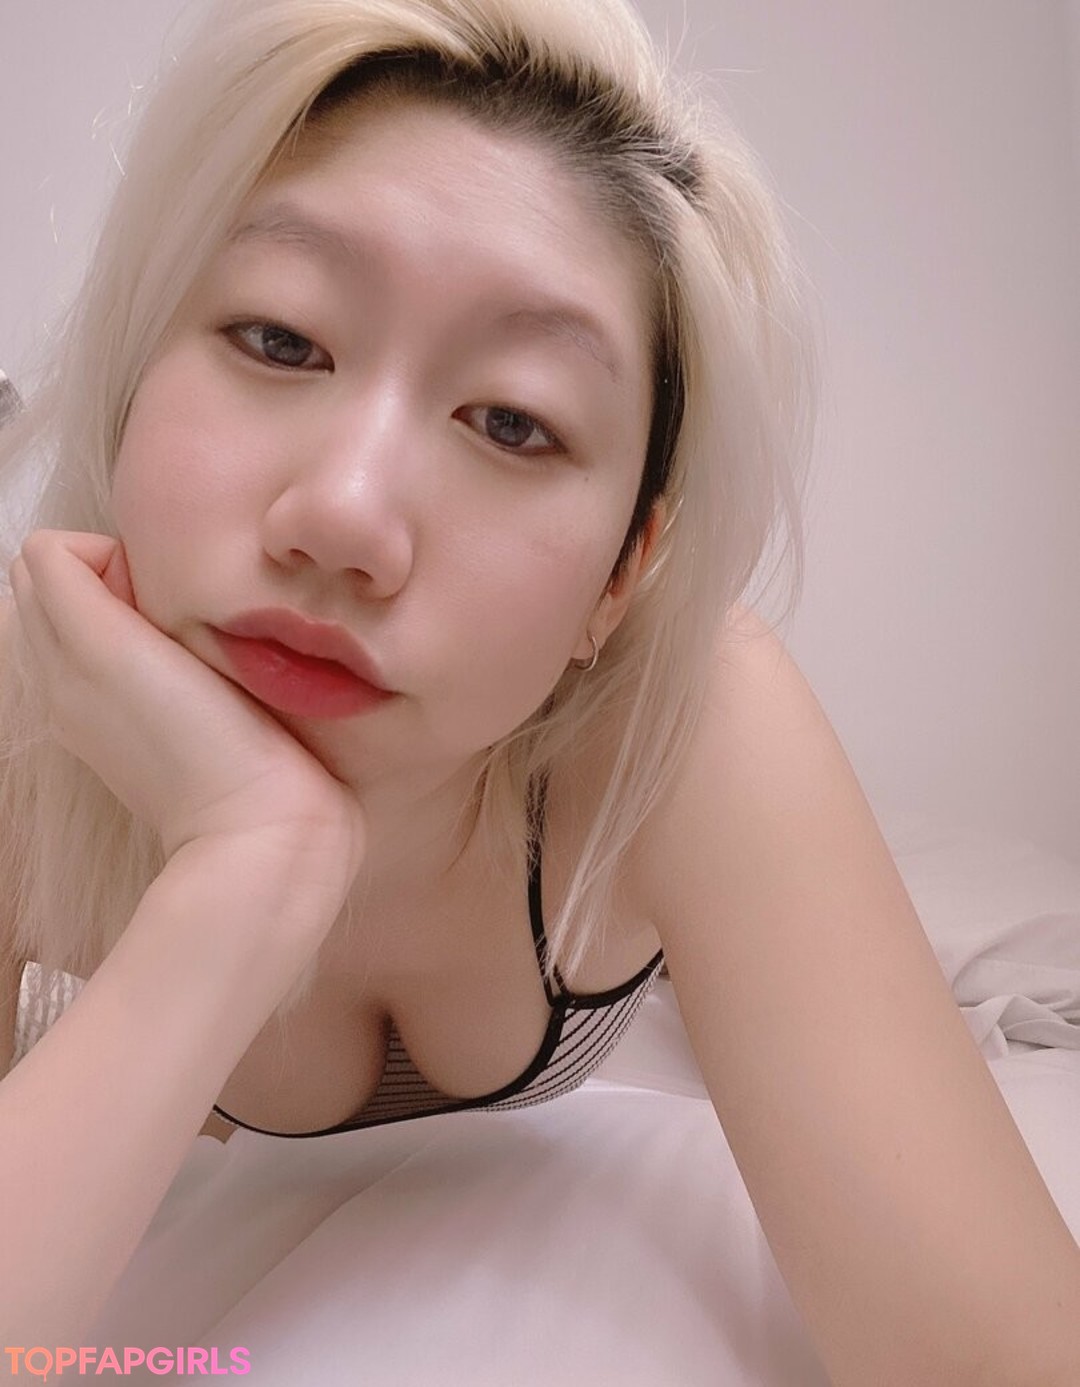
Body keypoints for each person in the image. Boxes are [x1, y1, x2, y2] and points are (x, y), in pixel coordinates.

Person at [0, 0, 1077, 1377]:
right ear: (137, 375)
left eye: (511, 421)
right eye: (279, 339)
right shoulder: (26, 727)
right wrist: (244, 869)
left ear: (623, 575)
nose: (343, 516)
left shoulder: (682, 723)